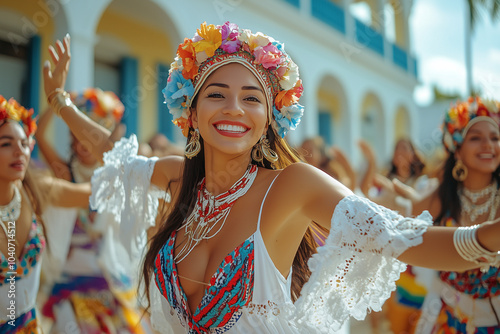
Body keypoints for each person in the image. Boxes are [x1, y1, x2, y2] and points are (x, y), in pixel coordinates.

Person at [42, 25, 500, 334]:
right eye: (217, 94)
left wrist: (490, 236)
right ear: (192, 115)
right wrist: (61, 101)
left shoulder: (293, 186)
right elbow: (114, 153)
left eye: (252, 99)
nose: (234, 110)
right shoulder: (180, 182)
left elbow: (402, 239)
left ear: (270, 118)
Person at [35, 89, 151, 333]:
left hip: (111, 281)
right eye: (75, 135)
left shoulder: (117, 173)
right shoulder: (64, 174)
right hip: (72, 282)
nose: (82, 142)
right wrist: (56, 100)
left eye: (87, 134)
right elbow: (39, 135)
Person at [403, 97, 500, 333]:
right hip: (448, 321)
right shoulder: (441, 197)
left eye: (495, 138)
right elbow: (409, 228)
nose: (488, 145)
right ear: (456, 148)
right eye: (475, 137)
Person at [0, 95, 91, 333]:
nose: (19, 151)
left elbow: (103, 190)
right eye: (6, 144)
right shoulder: (49, 181)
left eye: (23, 143)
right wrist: (55, 101)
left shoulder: (36, 190)